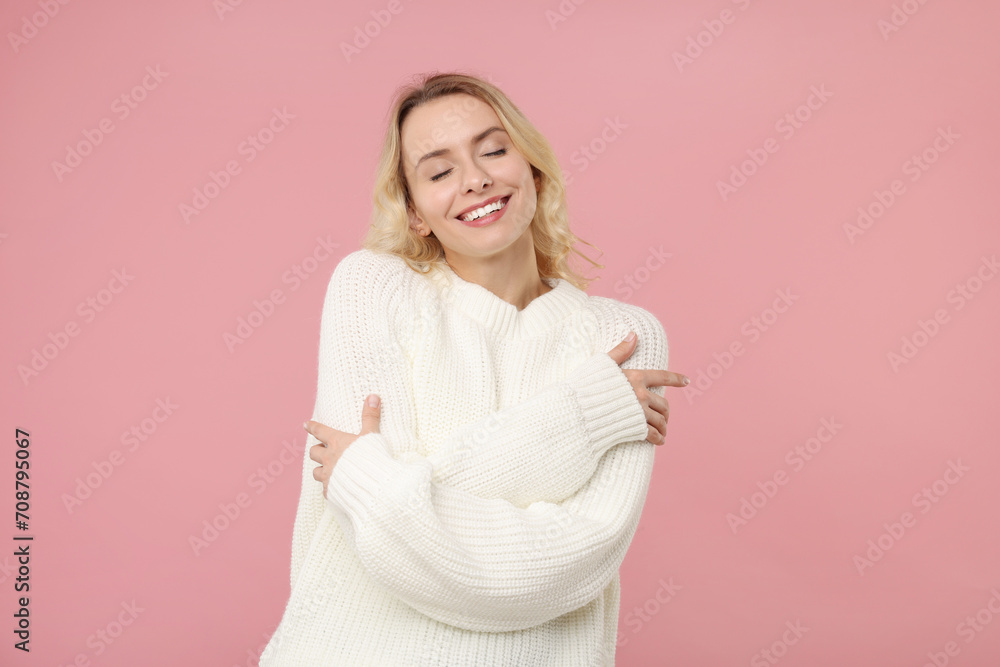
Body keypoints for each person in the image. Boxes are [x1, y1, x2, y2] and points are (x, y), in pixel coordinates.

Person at [259, 71, 689, 666]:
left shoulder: (622, 340)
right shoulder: (371, 287)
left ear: (532, 169)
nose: (475, 178)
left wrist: (370, 481)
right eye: (438, 172)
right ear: (414, 213)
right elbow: (379, 543)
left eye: (493, 150)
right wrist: (586, 415)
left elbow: (572, 564)